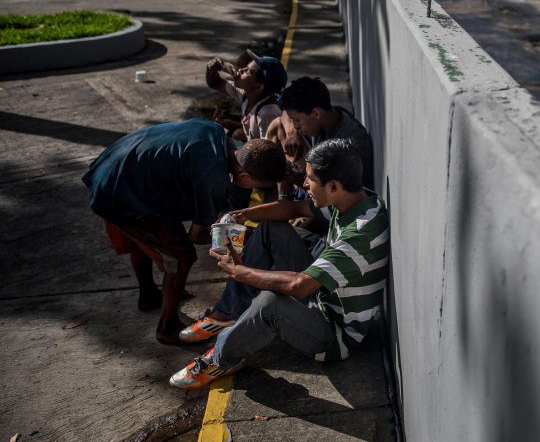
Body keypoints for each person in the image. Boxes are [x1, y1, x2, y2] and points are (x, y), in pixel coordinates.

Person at [169, 138, 391, 389]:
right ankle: (228, 314)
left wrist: (240, 272)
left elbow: (300, 286)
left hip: (334, 334)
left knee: (270, 303)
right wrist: (245, 214)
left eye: (310, 179)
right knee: (271, 229)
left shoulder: (359, 235)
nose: (304, 183)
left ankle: (221, 358)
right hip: (323, 297)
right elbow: (293, 208)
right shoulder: (356, 201)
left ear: (332, 186)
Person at [82, 119, 287, 344]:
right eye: (257, 185)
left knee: (148, 239)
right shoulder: (212, 178)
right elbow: (198, 235)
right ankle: (167, 328)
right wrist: (250, 237)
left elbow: (234, 201)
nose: (256, 190)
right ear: (245, 176)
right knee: (180, 255)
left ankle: (149, 294)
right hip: (118, 191)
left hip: (114, 167)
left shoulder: (220, 136)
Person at [279, 76, 374, 191]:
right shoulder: (330, 116)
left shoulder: (346, 148)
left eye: (297, 120)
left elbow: (336, 196)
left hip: (335, 198)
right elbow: (285, 114)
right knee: (277, 125)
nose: (295, 125)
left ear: (316, 114)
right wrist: (292, 134)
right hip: (321, 176)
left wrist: (299, 180)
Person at [205, 49, 287, 141]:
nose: (240, 70)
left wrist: (233, 150)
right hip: (254, 148)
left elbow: (268, 151)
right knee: (231, 131)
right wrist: (210, 69)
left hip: (260, 153)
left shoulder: (267, 113)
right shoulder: (247, 95)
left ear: (258, 87)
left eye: (247, 71)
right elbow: (215, 83)